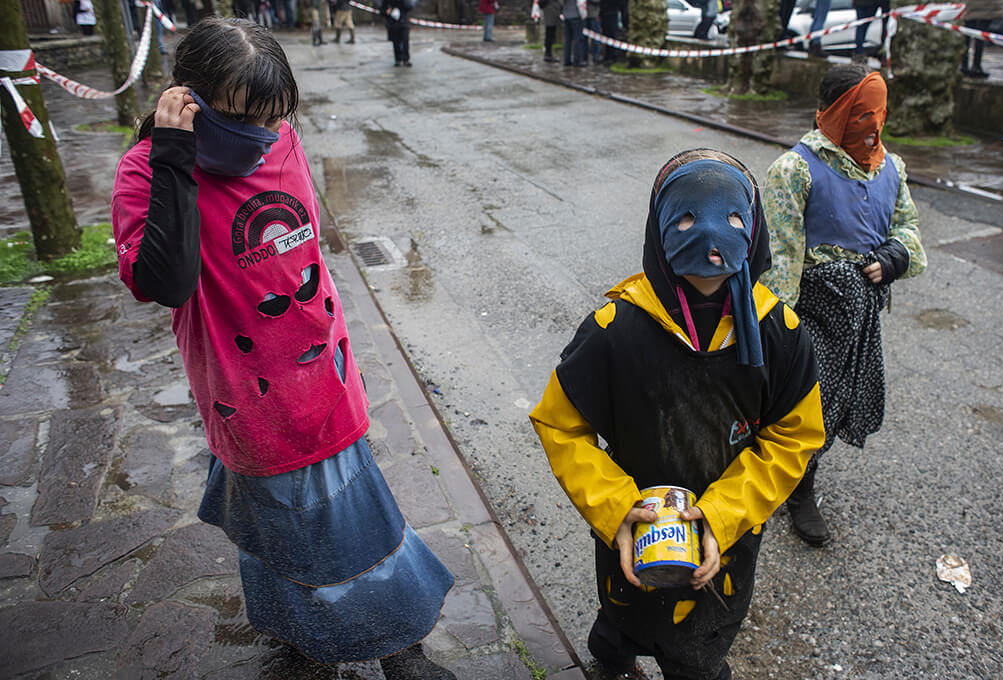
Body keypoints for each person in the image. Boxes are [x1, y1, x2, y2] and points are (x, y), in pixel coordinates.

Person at [110, 18, 454, 677]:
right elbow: (166, 282)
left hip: (325, 374)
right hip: (247, 398)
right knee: (302, 525)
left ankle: (366, 640)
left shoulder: (284, 140)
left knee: (346, 517)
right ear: (189, 101)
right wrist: (175, 158)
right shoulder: (146, 171)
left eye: (272, 120)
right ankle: (370, 645)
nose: (264, 136)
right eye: (245, 120)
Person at [530, 149, 825, 680]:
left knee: (699, 650)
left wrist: (724, 514)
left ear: (753, 230)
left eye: (733, 219)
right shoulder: (614, 329)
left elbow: (794, 438)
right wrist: (616, 509)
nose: (711, 235)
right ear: (659, 227)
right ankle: (612, 657)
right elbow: (561, 425)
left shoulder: (780, 332)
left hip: (724, 537)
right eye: (688, 218)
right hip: (634, 528)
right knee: (623, 614)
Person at [759, 63, 926, 546]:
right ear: (834, 114)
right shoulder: (794, 170)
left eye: (879, 113)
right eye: (860, 115)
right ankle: (797, 490)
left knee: (838, 401)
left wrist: (895, 256)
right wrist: (778, 329)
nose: (873, 126)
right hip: (812, 308)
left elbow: (907, 228)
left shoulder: (890, 168)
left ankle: (789, 473)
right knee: (809, 402)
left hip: (862, 313)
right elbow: (780, 258)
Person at [960, 0, 1002, 78]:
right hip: (986, 11)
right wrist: (999, 10)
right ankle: (976, 67)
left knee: (966, 39)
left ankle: (964, 66)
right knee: (980, 39)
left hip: (969, 10)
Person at [379, 0, 412, 66]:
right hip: (393, 24)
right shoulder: (387, 2)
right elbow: (382, 10)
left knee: (405, 41)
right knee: (396, 42)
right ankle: (398, 59)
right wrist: (386, 12)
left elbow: (409, 7)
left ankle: (406, 59)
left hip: (403, 22)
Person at [562, 0, 587, 66]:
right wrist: (583, 15)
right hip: (576, 16)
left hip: (566, 16)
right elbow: (581, 3)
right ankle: (577, 60)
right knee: (577, 39)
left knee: (567, 40)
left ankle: (566, 60)